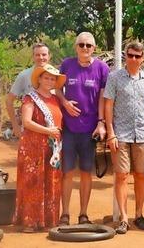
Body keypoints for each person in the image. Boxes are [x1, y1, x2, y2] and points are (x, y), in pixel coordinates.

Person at [104, 41, 144, 234]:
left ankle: (138, 215)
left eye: (137, 56)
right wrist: (110, 133)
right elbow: (108, 105)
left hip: (143, 134)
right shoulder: (114, 78)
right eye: (130, 55)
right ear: (125, 56)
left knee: (141, 175)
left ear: (143, 58)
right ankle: (124, 219)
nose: (133, 59)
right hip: (120, 134)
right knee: (121, 175)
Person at [56, 32, 109, 225]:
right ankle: (65, 213)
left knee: (86, 173)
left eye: (88, 45)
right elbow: (57, 90)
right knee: (67, 172)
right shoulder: (66, 65)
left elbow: (103, 97)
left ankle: (84, 214)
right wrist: (64, 102)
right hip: (69, 128)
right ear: (75, 47)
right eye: (81, 45)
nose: (85, 48)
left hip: (90, 130)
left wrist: (101, 122)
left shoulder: (102, 68)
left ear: (94, 48)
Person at [13, 64, 66, 232]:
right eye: (46, 77)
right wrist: (48, 131)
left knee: (51, 182)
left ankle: (49, 220)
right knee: (33, 183)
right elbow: (27, 122)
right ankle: (31, 221)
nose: (49, 81)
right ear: (39, 79)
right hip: (33, 147)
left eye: (53, 78)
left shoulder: (56, 99)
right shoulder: (30, 98)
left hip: (52, 149)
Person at [5, 43, 51, 138]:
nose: (41, 57)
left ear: (49, 56)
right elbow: (9, 101)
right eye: (37, 55)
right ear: (33, 57)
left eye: (44, 54)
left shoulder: (56, 75)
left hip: (52, 128)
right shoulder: (24, 75)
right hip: (30, 129)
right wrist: (15, 125)